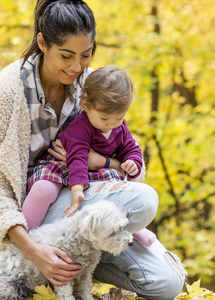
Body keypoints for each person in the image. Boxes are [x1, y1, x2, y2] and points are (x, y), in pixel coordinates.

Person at [0, 0, 186, 299]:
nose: (76, 66)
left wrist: (101, 160)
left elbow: (127, 155)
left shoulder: (91, 82)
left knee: (166, 284)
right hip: (29, 222)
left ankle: (77, 265)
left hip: (81, 212)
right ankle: (45, 267)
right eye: (66, 55)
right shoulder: (8, 92)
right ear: (42, 42)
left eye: (86, 54)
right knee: (144, 199)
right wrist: (34, 251)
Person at [22, 65, 156, 247]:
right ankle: (27, 237)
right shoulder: (80, 127)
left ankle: (133, 227)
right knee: (43, 189)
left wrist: (133, 163)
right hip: (63, 167)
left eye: (118, 118)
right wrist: (77, 189)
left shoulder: (119, 126)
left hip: (95, 173)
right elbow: (78, 157)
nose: (111, 124)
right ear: (85, 106)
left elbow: (130, 147)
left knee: (117, 188)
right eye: (104, 118)